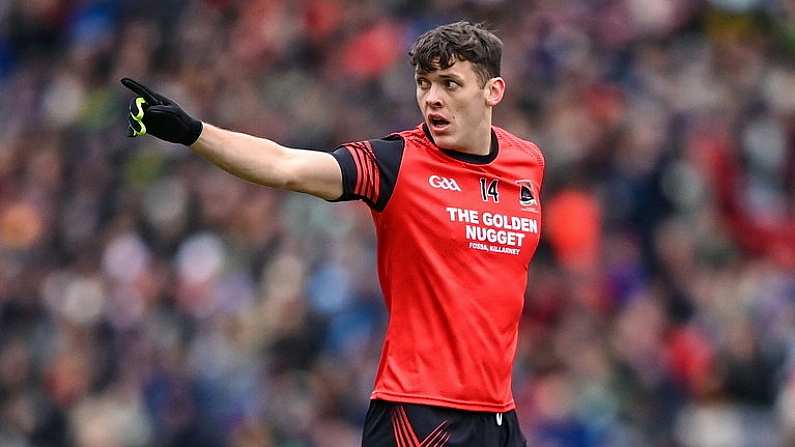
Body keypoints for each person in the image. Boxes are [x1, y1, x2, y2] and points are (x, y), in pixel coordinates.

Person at [123, 21, 543, 447]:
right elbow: (284, 166)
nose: (432, 98)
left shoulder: (528, 163)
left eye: (450, 84)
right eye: (423, 83)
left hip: (499, 418)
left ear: (493, 91)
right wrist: (193, 132)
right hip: (419, 415)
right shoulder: (395, 163)